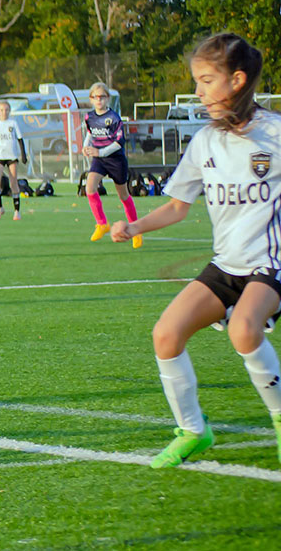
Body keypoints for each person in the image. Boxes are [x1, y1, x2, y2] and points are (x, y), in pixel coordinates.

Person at [111, 33, 281, 468]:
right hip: (226, 264)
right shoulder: (205, 140)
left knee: (245, 329)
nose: (199, 92)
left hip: (270, 263)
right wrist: (133, 226)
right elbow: (176, 206)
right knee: (165, 335)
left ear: (237, 80)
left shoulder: (275, 133)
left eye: (207, 81)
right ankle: (193, 430)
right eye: (197, 81)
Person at [82, 83, 140, 247]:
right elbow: (90, 132)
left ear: (108, 98)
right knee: (89, 187)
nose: (99, 100)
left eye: (102, 96)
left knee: (124, 196)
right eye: (95, 97)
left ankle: (136, 230)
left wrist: (99, 152)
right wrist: (86, 146)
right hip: (99, 160)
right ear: (91, 99)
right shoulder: (89, 117)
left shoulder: (114, 118)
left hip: (116, 160)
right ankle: (102, 224)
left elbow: (119, 143)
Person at [0, 100, 27, 221]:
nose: (4, 112)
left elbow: (20, 139)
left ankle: (17, 211)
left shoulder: (13, 123)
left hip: (12, 157)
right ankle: (0, 208)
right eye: (2, 110)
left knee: (13, 182)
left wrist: (23, 155)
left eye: (7, 110)